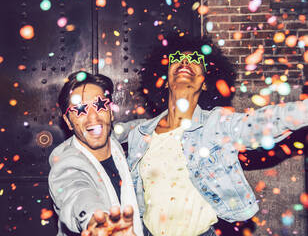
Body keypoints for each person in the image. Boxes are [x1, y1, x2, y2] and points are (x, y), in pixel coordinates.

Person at [127, 34, 308, 236]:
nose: (185, 61)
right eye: (176, 58)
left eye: (196, 60)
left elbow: (263, 122)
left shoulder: (217, 124)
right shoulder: (140, 134)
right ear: (166, 81)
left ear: (205, 83)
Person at [48, 71, 144, 236]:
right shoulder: (66, 163)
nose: (93, 117)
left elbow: (150, 126)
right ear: (68, 122)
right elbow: (77, 193)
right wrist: (96, 221)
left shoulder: (118, 141)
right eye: (79, 110)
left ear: (111, 112)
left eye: (100, 105)